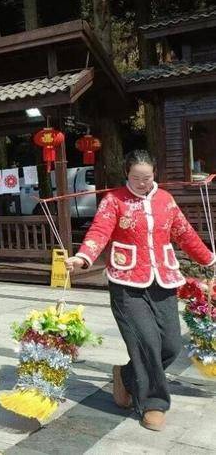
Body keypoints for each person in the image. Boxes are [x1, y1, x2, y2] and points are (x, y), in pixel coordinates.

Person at [65, 150, 215, 431]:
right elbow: (99, 231)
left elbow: (185, 234)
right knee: (147, 342)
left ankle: (126, 375)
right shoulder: (114, 200)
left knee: (171, 345)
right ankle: (153, 403)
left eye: (147, 177)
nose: (143, 183)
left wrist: (209, 259)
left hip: (163, 280)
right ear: (127, 174)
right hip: (127, 282)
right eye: (136, 178)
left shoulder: (165, 200)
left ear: (154, 174)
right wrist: (83, 258)